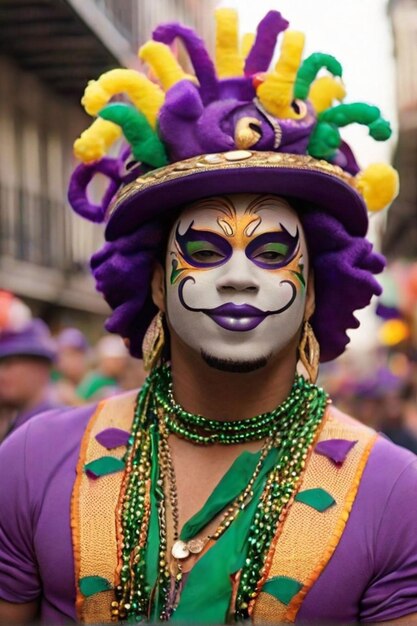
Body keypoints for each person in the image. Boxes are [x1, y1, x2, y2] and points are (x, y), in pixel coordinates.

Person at [1, 8, 416, 625]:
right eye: (204, 251)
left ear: (312, 291)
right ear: (158, 285)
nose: (241, 275)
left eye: (274, 253)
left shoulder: (396, 494)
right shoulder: (32, 459)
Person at [0, 308, 59, 441]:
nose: (1, 374)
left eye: (10, 364)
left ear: (41, 368)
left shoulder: (53, 426)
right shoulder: (17, 419)